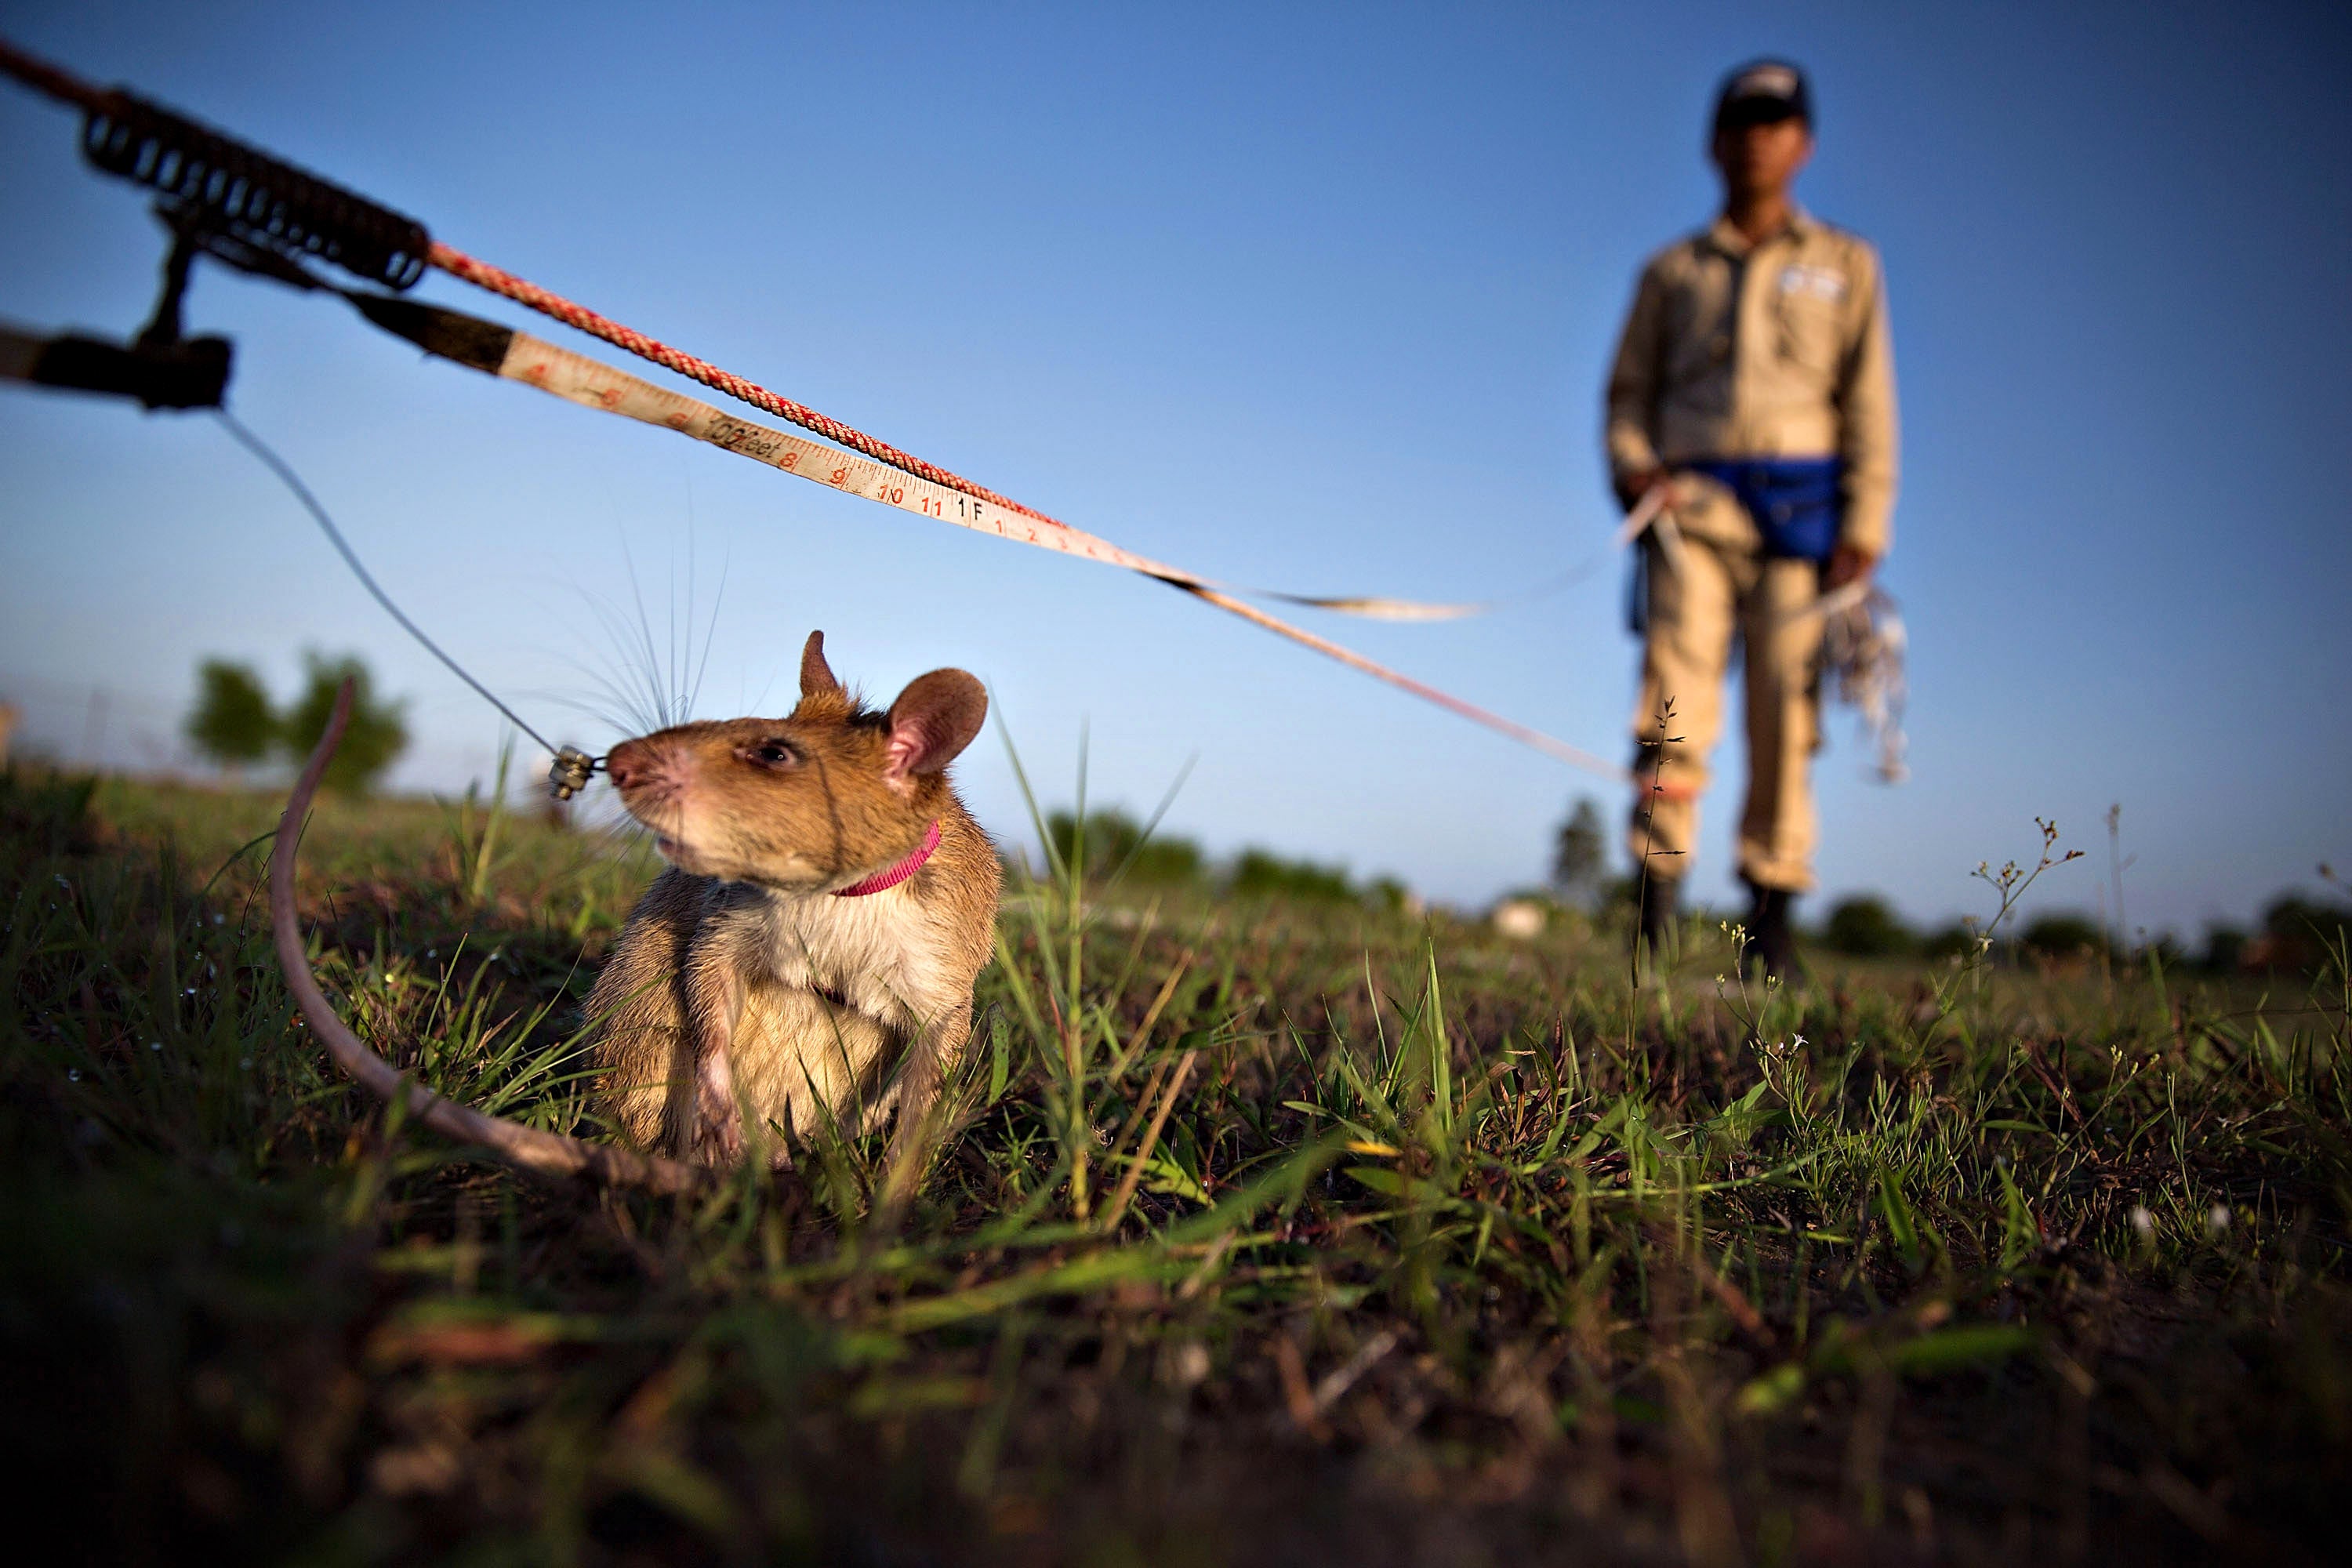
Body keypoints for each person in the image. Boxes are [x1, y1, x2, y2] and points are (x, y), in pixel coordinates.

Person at [1604, 58, 1897, 978]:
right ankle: (1655, 912)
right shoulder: (1671, 272)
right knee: (1672, 702)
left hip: (1804, 529)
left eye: (1776, 122)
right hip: (1689, 511)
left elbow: (1870, 403)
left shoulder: (1847, 265)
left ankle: (1772, 918)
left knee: (1785, 707)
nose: (1757, 139)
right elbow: (1626, 393)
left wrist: (1865, 525)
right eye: (1742, 122)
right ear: (1713, 142)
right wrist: (1634, 469)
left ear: (1803, 143)